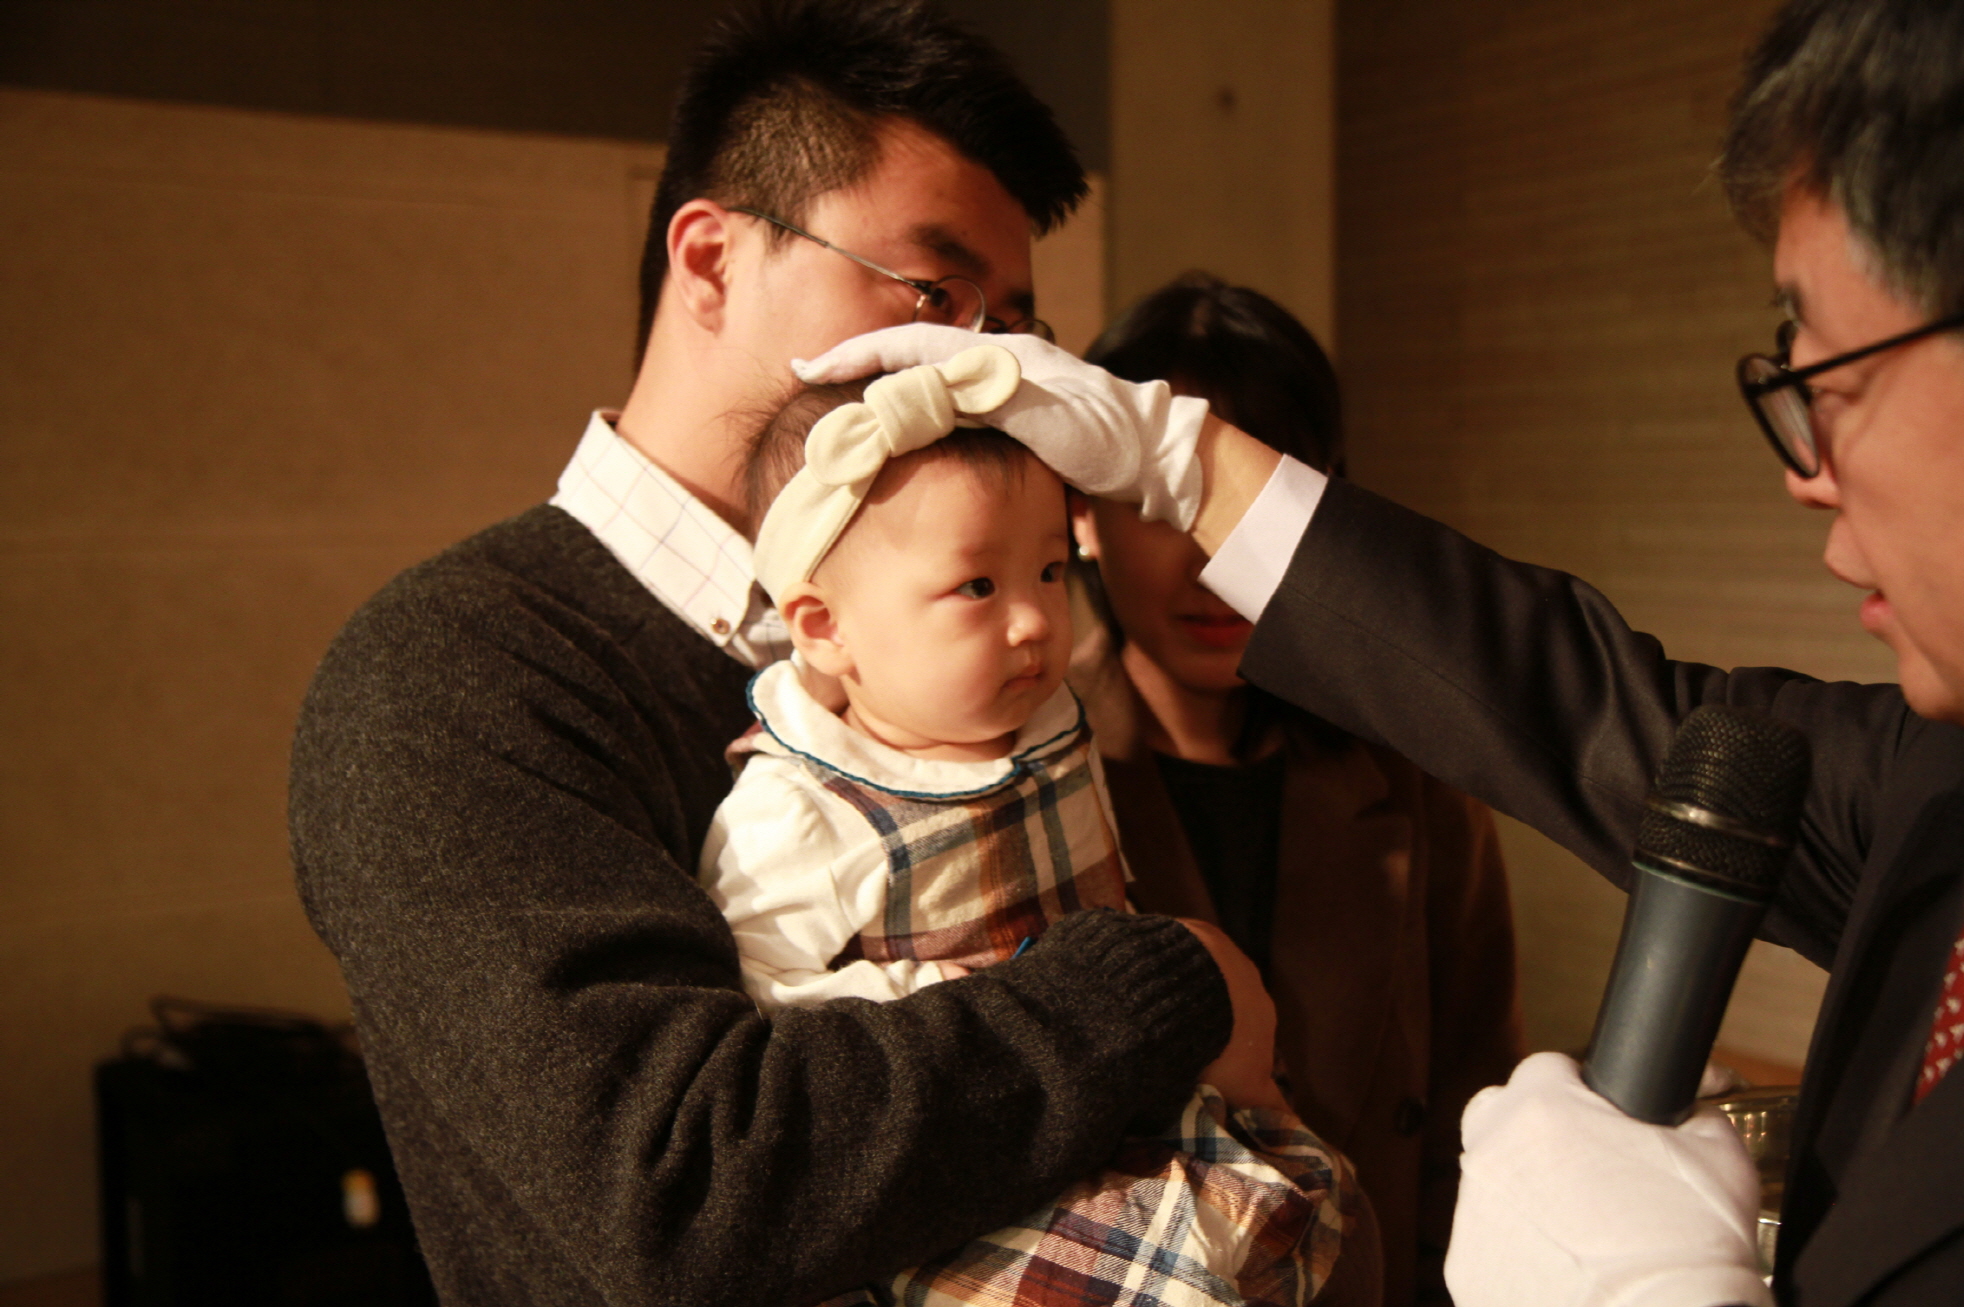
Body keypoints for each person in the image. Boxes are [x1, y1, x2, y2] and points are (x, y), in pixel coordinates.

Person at [793, 0, 1964, 1301]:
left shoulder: (1405, 793)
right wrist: (1189, 466)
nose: (1807, 470)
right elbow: (1595, 709)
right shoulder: (982, 754)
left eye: (1827, 382)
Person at [287, 5, 1273, 1304]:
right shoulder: (449, 672)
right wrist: (1160, 983)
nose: (969, 368)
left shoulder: (982, 642)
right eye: (932, 295)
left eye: (1008, 327)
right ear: (710, 262)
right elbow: (687, 1188)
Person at [701, 344, 1369, 1307]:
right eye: (978, 587)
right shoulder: (803, 804)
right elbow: (769, 1020)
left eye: (1050, 571)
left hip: (1126, 1100)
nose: (1034, 621)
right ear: (823, 626)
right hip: (974, 1164)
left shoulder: (1050, 721)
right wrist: (950, 995)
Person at [1070, 273, 1523, 1307]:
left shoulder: (1409, 770)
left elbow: (1475, 1117)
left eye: (1247, 501)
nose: (1207, 557)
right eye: (1158, 503)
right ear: (1083, 514)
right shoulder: (1027, 770)